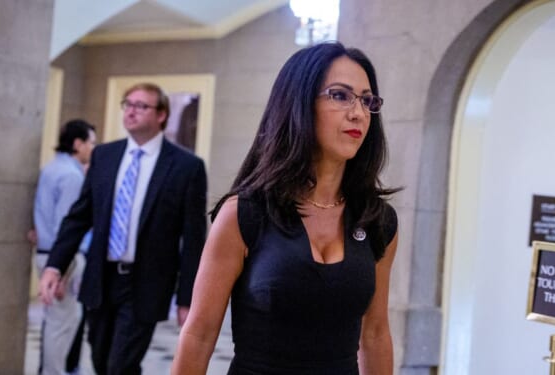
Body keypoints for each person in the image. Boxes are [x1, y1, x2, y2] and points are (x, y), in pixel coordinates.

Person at [172, 42, 400, 374]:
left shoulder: (379, 221)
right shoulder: (244, 213)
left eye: (367, 101)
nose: (358, 113)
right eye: (340, 95)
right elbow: (199, 335)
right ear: (299, 103)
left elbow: (376, 333)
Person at [39, 82, 208, 374]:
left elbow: (193, 238)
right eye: (127, 104)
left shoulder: (186, 166)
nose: (131, 112)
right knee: (102, 360)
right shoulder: (104, 156)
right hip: (100, 279)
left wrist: (187, 298)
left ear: (161, 115)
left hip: (145, 283)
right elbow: (79, 217)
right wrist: (55, 265)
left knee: (120, 364)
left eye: (141, 106)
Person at [33, 119, 96, 375]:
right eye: (91, 143)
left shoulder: (51, 168)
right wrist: (60, 271)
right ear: (78, 144)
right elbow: (66, 227)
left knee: (57, 322)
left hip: (46, 254)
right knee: (62, 326)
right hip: (61, 259)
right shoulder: (71, 176)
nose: (94, 148)